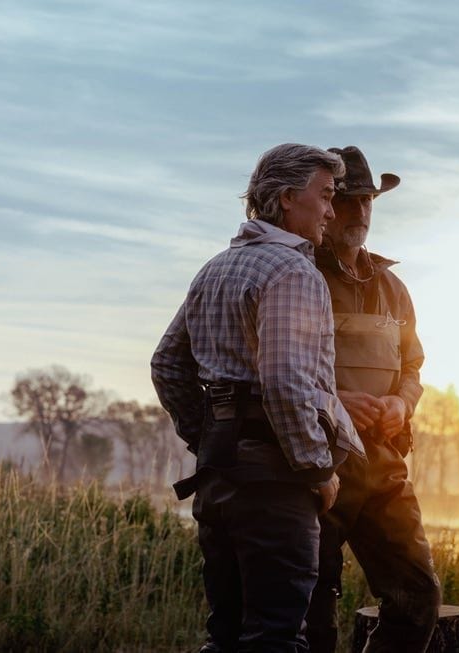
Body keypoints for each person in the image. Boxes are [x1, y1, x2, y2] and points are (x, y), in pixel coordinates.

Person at [151, 143, 364, 653]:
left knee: (225, 636)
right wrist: (316, 468)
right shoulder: (293, 272)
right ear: (288, 198)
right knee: (275, 638)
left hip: (219, 478)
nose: (331, 211)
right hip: (275, 484)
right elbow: (285, 381)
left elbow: (167, 365)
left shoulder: (216, 268)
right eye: (325, 196)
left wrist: (212, 437)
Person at [306, 146, 441, 653]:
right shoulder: (299, 276)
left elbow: (413, 366)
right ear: (325, 205)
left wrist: (402, 405)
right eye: (346, 200)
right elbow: (274, 367)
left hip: (384, 464)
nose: (359, 211)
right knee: (312, 611)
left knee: (417, 599)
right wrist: (336, 401)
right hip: (318, 464)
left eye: (367, 201)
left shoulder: (393, 287)